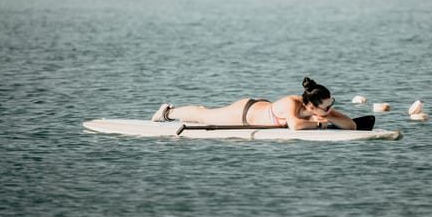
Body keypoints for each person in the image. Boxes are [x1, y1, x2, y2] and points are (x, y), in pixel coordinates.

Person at [151, 77, 357, 130]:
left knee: (204, 114)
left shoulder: (320, 109)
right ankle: (168, 112)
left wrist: (329, 116)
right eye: (326, 107)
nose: (330, 109)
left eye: (332, 104)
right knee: (204, 115)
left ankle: (170, 112)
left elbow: (352, 125)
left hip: (261, 106)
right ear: (311, 106)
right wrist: (321, 123)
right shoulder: (290, 103)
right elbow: (295, 126)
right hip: (244, 113)